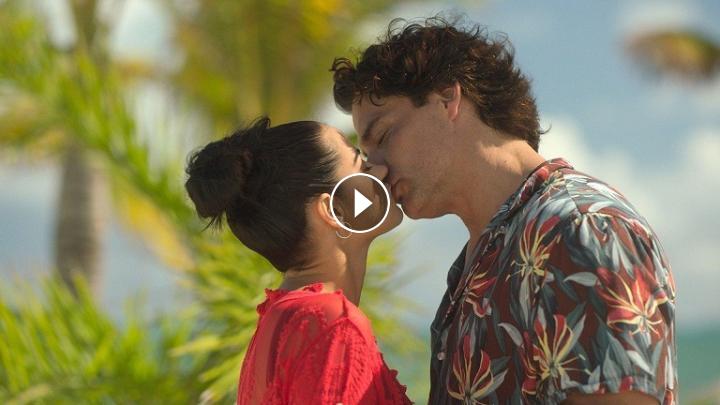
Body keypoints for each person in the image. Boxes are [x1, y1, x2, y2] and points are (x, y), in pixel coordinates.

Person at [331, 17, 677, 404]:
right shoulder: (478, 262)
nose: (376, 170)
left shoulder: (581, 227)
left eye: (383, 135)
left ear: (447, 100)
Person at [184, 117, 412, 404]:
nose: (382, 169)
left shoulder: (279, 322)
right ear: (333, 211)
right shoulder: (333, 325)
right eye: (363, 166)